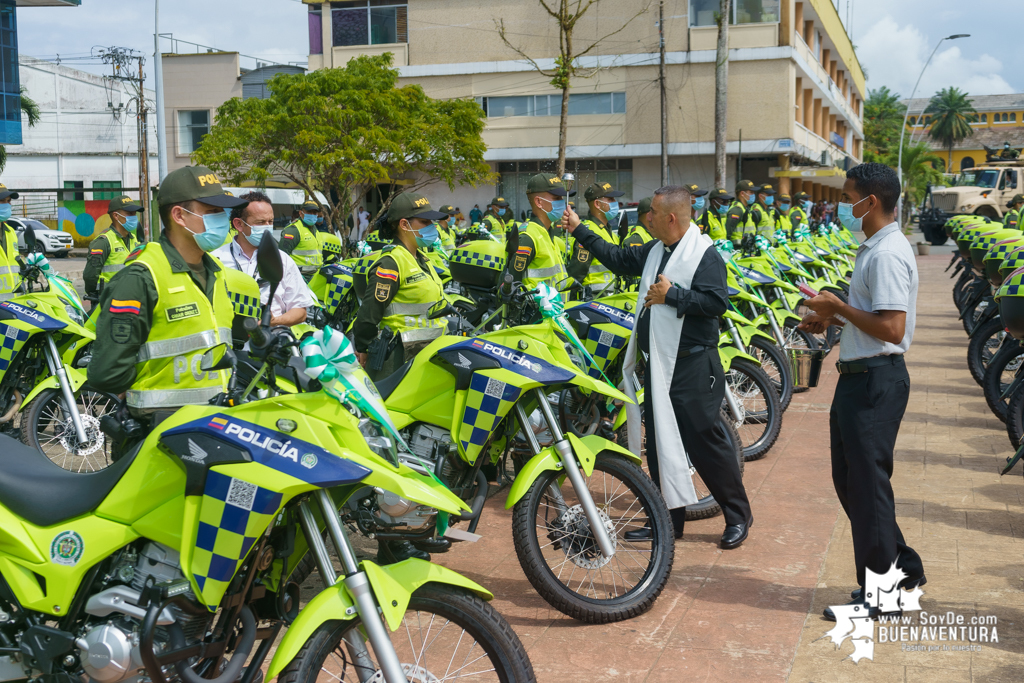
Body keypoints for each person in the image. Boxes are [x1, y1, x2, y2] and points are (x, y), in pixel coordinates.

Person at [562, 185, 753, 547]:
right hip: (659, 366)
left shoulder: (704, 254)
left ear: (670, 217)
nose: (645, 218)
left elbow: (717, 303)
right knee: (661, 443)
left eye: (651, 213)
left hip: (693, 365)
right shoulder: (656, 250)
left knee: (705, 443)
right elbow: (618, 258)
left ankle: (737, 516)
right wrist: (579, 229)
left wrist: (673, 296)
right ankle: (669, 520)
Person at [798, 162, 925, 621]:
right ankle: (901, 569)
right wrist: (832, 315)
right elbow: (873, 315)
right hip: (860, 378)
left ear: (870, 201)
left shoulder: (887, 253)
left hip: (876, 381)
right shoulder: (874, 247)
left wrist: (838, 307)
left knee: (867, 488)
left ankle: (884, 595)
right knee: (854, 483)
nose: (841, 204)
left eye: (847, 195)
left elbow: (892, 327)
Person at [87, 166, 247, 417]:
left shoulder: (215, 272)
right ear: (179, 216)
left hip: (213, 422)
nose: (222, 218)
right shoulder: (142, 277)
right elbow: (107, 372)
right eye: (212, 211)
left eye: (222, 211)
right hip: (159, 430)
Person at [352, 192, 449, 378]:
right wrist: (363, 348)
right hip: (398, 359)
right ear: (404, 225)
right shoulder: (391, 263)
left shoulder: (422, 259)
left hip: (425, 354)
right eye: (425, 222)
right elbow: (368, 314)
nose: (432, 227)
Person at [213, 190, 314, 328]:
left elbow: (300, 311)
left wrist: (273, 321)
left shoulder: (282, 260)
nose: (267, 227)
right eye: (260, 223)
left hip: (268, 343)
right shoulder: (216, 259)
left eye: (270, 222)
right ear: (238, 224)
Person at [505, 173, 572, 296]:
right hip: (536, 313)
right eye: (557, 198)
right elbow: (510, 286)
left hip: (553, 312)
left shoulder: (548, 233)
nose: (562, 202)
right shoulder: (528, 237)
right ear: (539, 202)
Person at [84, 195, 142, 301]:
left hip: (131, 297)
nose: (134, 217)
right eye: (129, 213)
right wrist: (95, 296)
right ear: (116, 216)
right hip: (108, 299)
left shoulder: (134, 240)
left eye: (134, 213)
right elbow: (90, 276)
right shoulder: (103, 242)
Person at [574, 182, 625, 296]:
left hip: (611, 298)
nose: (615, 203)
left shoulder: (610, 232)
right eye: (610, 199)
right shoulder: (588, 231)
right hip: (594, 298)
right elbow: (578, 272)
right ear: (597, 204)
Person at [279, 199, 323, 277]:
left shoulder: (315, 229)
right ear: (300, 213)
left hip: (315, 276)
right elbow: (281, 257)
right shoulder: (293, 230)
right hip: (299, 277)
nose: (312, 215)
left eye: (315, 212)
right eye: (309, 212)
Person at [0, 183, 22, 301]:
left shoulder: (11, 232)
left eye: (9, 201)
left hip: (14, 305)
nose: (7, 205)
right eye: (2, 201)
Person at [726, 179, 757, 243]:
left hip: (746, 250)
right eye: (751, 192)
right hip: (738, 250)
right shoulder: (737, 210)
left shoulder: (746, 208)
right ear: (742, 193)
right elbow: (728, 232)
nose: (753, 195)